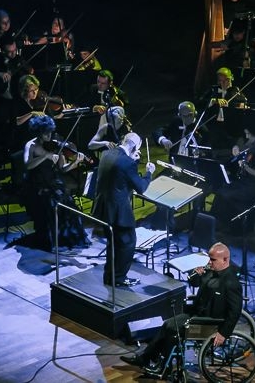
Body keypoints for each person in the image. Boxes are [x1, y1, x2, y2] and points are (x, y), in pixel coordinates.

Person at [120, 243, 242, 373]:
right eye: (209, 259)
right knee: (167, 324)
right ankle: (148, 358)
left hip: (210, 323)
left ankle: (162, 367)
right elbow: (194, 283)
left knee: (173, 329)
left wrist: (223, 333)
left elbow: (235, 311)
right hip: (197, 315)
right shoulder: (211, 271)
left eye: (213, 260)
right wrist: (196, 274)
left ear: (225, 260)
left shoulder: (231, 282)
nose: (209, 262)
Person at [92, 131, 154, 287]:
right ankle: (119, 279)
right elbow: (141, 187)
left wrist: (131, 159)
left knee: (112, 244)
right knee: (127, 244)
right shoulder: (128, 163)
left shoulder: (106, 154)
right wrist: (149, 173)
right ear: (134, 147)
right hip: (119, 213)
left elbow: (119, 174)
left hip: (103, 208)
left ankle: (109, 277)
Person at [23, 115, 91, 251]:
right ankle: (51, 240)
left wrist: (75, 162)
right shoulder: (31, 145)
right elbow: (28, 165)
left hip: (53, 182)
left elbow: (63, 169)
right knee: (51, 203)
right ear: (38, 132)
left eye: (50, 132)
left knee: (68, 204)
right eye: (46, 133)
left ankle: (64, 238)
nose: (49, 136)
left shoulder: (55, 145)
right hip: (37, 184)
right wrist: (45, 156)